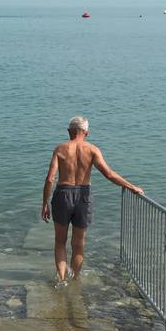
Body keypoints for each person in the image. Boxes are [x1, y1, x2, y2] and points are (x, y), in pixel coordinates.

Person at [41, 116, 144, 288]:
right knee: (78, 243)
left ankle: (61, 279)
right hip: (83, 196)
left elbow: (50, 178)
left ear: (69, 131)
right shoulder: (93, 150)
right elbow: (109, 174)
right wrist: (131, 187)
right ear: (86, 132)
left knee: (60, 241)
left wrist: (44, 203)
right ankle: (75, 279)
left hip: (62, 195)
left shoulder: (60, 149)